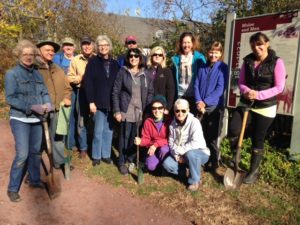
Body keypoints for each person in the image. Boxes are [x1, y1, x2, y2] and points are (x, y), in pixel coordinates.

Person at [228, 32, 286, 184]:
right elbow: (240, 82)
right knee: (234, 129)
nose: (256, 48)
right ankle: (235, 159)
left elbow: (279, 87)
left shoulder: (277, 62)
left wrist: (259, 95)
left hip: (265, 107)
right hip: (246, 103)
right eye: (253, 45)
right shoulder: (247, 61)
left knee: (257, 138)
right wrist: (246, 91)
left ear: (267, 43)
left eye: (259, 44)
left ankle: (253, 171)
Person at [5, 40, 52, 202]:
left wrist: (48, 103)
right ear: (19, 55)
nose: (28, 57)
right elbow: (10, 98)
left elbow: (44, 91)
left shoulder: (37, 73)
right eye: (25, 54)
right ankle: (12, 188)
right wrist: (32, 106)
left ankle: (34, 179)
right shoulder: (12, 74)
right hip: (20, 119)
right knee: (22, 154)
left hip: (37, 119)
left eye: (31, 54)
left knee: (35, 152)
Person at [112, 48, 154, 175]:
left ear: (140, 58)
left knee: (134, 137)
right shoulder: (123, 72)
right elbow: (115, 92)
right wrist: (117, 111)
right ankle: (121, 162)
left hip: (141, 111)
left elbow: (150, 91)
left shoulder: (145, 73)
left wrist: (148, 108)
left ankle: (130, 159)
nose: (133, 58)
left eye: (136, 56)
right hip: (126, 110)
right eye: (131, 56)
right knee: (124, 137)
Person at [36, 39, 72, 170]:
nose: (50, 52)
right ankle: (33, 169)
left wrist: (67, 98)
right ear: (39, 50)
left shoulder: (57, 69)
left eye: (52, 51)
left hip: (57, 109)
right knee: (38, 140)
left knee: (57, 137)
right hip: (40, 111)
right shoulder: (34, 68)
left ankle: (59, 161)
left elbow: (67, 88)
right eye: (47, 50)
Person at [84, 35, 120, 166]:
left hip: (111, 103)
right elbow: (88, 83)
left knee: (108, 131)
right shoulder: (93, 62)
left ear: (109, 47)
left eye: (105, 45)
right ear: (97, 48)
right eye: (100, 45)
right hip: (97, 103)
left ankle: (106, 154)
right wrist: (91, 102)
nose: (103, 47)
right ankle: (96, 156)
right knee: (98, 131)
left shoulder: (115, 64)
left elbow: (118, 84)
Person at [194, 41, 228, 173]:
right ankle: (204, 159)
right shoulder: (203, 67)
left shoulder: (223, 67)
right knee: (201, 135)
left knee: (213, 136)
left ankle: (214, 162)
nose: (213, 55)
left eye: (216, 52)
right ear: (207, 52)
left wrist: (205, 102)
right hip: (200, 106)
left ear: (220, 53)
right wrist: (198, 101)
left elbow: (220, 88)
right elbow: (196, 84)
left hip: (214, 107)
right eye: (211, 52)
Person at [162, 99, 210, 191]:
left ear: (188, 110)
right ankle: (188, 171)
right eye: (177, 111)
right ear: (174, 111)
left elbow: (196, 143)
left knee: (190, 154)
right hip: (181, 155)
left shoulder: (194, 122)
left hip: (200, 153)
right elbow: (171, 143)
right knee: (167, 163)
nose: (180, 113)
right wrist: (176, 156)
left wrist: (181, 151)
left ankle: (195, 181)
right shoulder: (172, 124)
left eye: (183, 110)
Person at [67, 36, 95, 158]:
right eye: (84, 44)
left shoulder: (98, 59)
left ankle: (94, 146)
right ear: (81, 46)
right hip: (81, 92)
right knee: (81, 120)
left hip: (96, 93)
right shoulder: (76, 59)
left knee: (95, 120)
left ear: (93, 45)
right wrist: (80, 78)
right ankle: (83, 147)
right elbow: (69, 77)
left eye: (89, 44)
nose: (86, 46)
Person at [171, 32, 206, 114]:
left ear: (193, 43)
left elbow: (204, 77)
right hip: (180, 95)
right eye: (184, 43)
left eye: (188, 42)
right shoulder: (176, 59)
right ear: (180, 44)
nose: (186, 45)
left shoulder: (199, 58)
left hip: (195, 96)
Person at [134, 95, 170, 171]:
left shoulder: (169, 121)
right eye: (154, 108)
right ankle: (157, 163)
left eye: (160, 108)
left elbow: (170, 139)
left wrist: (156, 144)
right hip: (152, 148)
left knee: (164, 150)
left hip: (165, 147)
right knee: (151, 166)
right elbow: (146, 139)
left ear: (164, 109)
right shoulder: (148, 122)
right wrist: (141, 141)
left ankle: (165, 165)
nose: (157, 111)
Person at [53, 37, 77, 150]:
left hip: (75, 90)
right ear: (63, 47)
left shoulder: (77, 58)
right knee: (62, 116)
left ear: (74, 47)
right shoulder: (57, 58)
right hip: (61, 90)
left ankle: (70, 142)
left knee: (73, 117)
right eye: (66, 45)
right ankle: (60, 141)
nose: (68, 47)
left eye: (71, 45)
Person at [147, 46, 175, 114]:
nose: (157, 56)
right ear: (151, 56)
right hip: (147, 107)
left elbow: (170, 91)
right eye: (155, 54)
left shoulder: (167, 71)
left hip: (161, 107)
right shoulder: (146, 71)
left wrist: (168, 108)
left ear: (163, 57)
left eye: (160, 55)